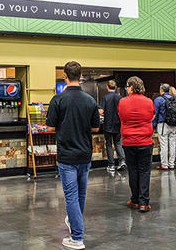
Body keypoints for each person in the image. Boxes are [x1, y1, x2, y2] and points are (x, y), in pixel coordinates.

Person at [46, 61, 99, 250]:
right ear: (81, 76)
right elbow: (95, 127)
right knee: (81, 194)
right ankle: (73, 221)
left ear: (65, 76)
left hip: (66, 155)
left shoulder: (57, 100)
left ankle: (77, 238)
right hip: (85, 154)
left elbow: (50, 127)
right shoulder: (90, 100)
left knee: (71, 196)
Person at [118, 76, 156, 213]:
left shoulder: (122, 102)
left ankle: (134, 200)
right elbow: (152, 115)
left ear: (131, 87)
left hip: (128, 142)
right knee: (145, 171)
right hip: (145, 141)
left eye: (127, 86)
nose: (126, 89)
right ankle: (144, 202)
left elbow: (121, 116)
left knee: (133, 171)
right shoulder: (149, 102)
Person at [99, 80, 126, 172]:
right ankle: (122, 161)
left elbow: (101, 111)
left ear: (107, 87)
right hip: (118, 124)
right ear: (115, 87)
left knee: (109, 144)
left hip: (108, 125)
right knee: (118, 143)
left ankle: (111, 165)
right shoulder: (120, 98)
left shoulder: (105, 98)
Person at [153, 83, 176, 170]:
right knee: (172, 144)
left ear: (161, 90)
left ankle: (164, 165)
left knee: (164, 145)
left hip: (163, 125)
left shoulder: (158, 100)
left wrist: (153, 126)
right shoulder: (175, 100)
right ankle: (172, 164)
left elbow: (155, 114)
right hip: (174, 125)